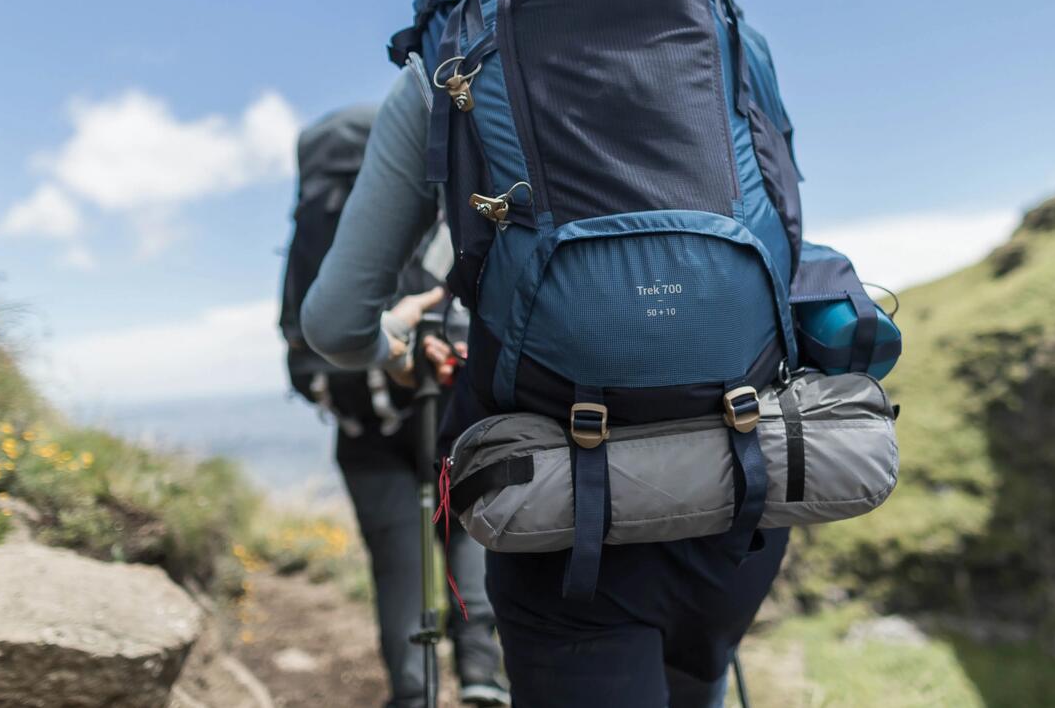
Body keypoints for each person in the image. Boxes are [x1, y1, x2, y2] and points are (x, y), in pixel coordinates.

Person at [301, 70, 786, 706]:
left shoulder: (443, 71)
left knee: (409, 564)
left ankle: (428, 690)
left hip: (553, 493)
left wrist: (389, 345)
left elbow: (333, 324)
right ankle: (478, 677)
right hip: (737, 469)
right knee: (696, 678)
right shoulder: (728, 35)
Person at [281, 106, 509, 708]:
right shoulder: (430, 208)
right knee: (472, 543)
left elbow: (301, 340)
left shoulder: (315, 230)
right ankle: (483, 677)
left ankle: (414, 693)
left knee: (398, 569)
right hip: (452, 416)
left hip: (364, 426)